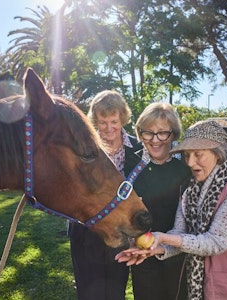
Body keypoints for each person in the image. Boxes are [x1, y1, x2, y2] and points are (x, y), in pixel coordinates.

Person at [121, 103, 227, 300]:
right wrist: (156, 248)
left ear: (218, 152)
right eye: (187, 155)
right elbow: (181, 233)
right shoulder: (191, 188)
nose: (190, 162)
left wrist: (163, 238)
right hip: (207, 283)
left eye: (198, 154)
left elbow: (216, 241)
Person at [68, 90, 142, 300]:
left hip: (120, 232)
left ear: (123, 119)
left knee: (115, 291)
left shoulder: (137, 149)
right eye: (102, 122)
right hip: (86, 230)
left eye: (114, 121)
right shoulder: (83, 148)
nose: (109, 128)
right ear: (95, 121)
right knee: (89, 292)